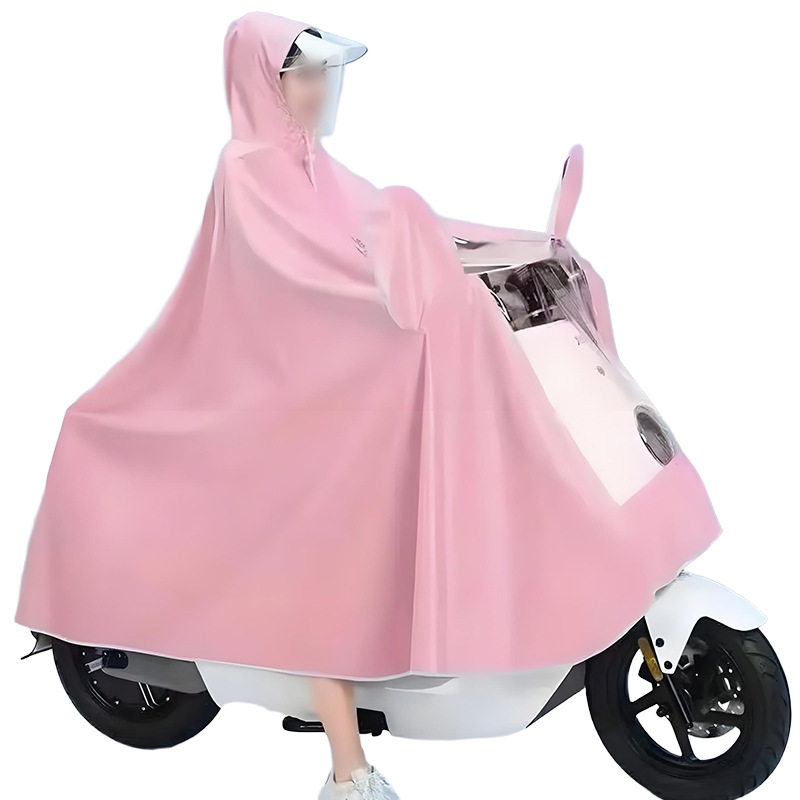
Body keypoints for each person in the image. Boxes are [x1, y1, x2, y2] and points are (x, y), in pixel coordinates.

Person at [278, 25, 400, 800]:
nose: (319, 90)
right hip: (286, 399)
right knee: (329, 561)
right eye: (302, 75)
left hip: (340, 382)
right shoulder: (250, 173)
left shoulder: (324, 170)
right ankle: (348, 771)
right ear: (265, 83)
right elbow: (294, 273)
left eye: (326, 74)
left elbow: (395, 228)